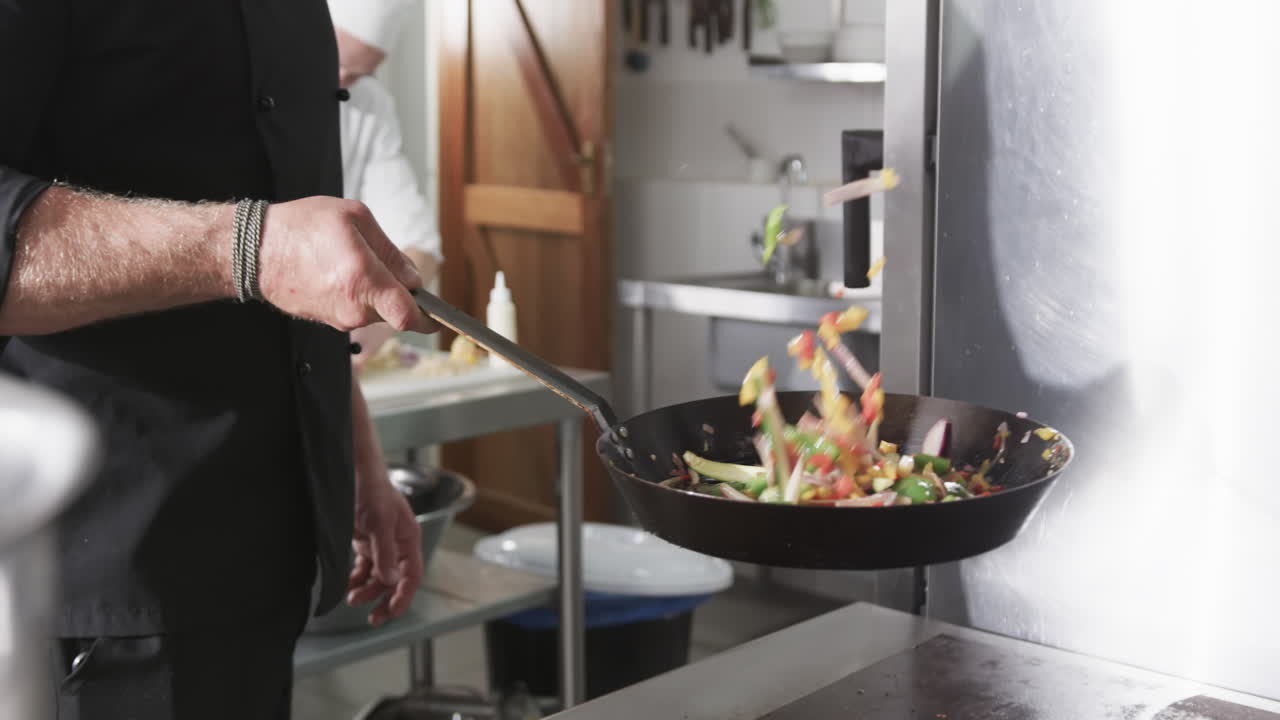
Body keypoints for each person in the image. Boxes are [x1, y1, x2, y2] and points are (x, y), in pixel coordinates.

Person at [0, 1, 434, 717]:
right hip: (105, 580)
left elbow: (297, 251)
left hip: (266, 558)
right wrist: (248, 247)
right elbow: (272, 247)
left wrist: (357, 456)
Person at [329, 0, 446, 366]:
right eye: (338, 61)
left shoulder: (369, 103)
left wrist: (374, 327)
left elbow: (421, 246)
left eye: (360, 72)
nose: (343, 81)